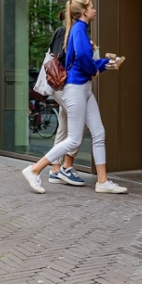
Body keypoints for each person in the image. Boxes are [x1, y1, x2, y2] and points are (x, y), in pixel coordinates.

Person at [22, 0, 127, 194]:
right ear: (84, 11)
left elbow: (78, 59)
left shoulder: (78, 30)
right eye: (92, 7)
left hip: (84, 88)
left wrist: (102, 64)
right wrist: (97, 66)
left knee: (98, 133)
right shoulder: (79, 29)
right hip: (76, 89)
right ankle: (34, 170)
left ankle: (102, 181)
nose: (95, 10)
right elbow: (83, 58)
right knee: (73, 139)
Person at [47, 12, 85, 186]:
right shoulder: (64, 32)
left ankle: (55, 169)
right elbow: (59, 58)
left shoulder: (65, 32)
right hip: (64, 86)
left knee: (63, 125)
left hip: (64, 86)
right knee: (82, 120)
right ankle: (66, 167)